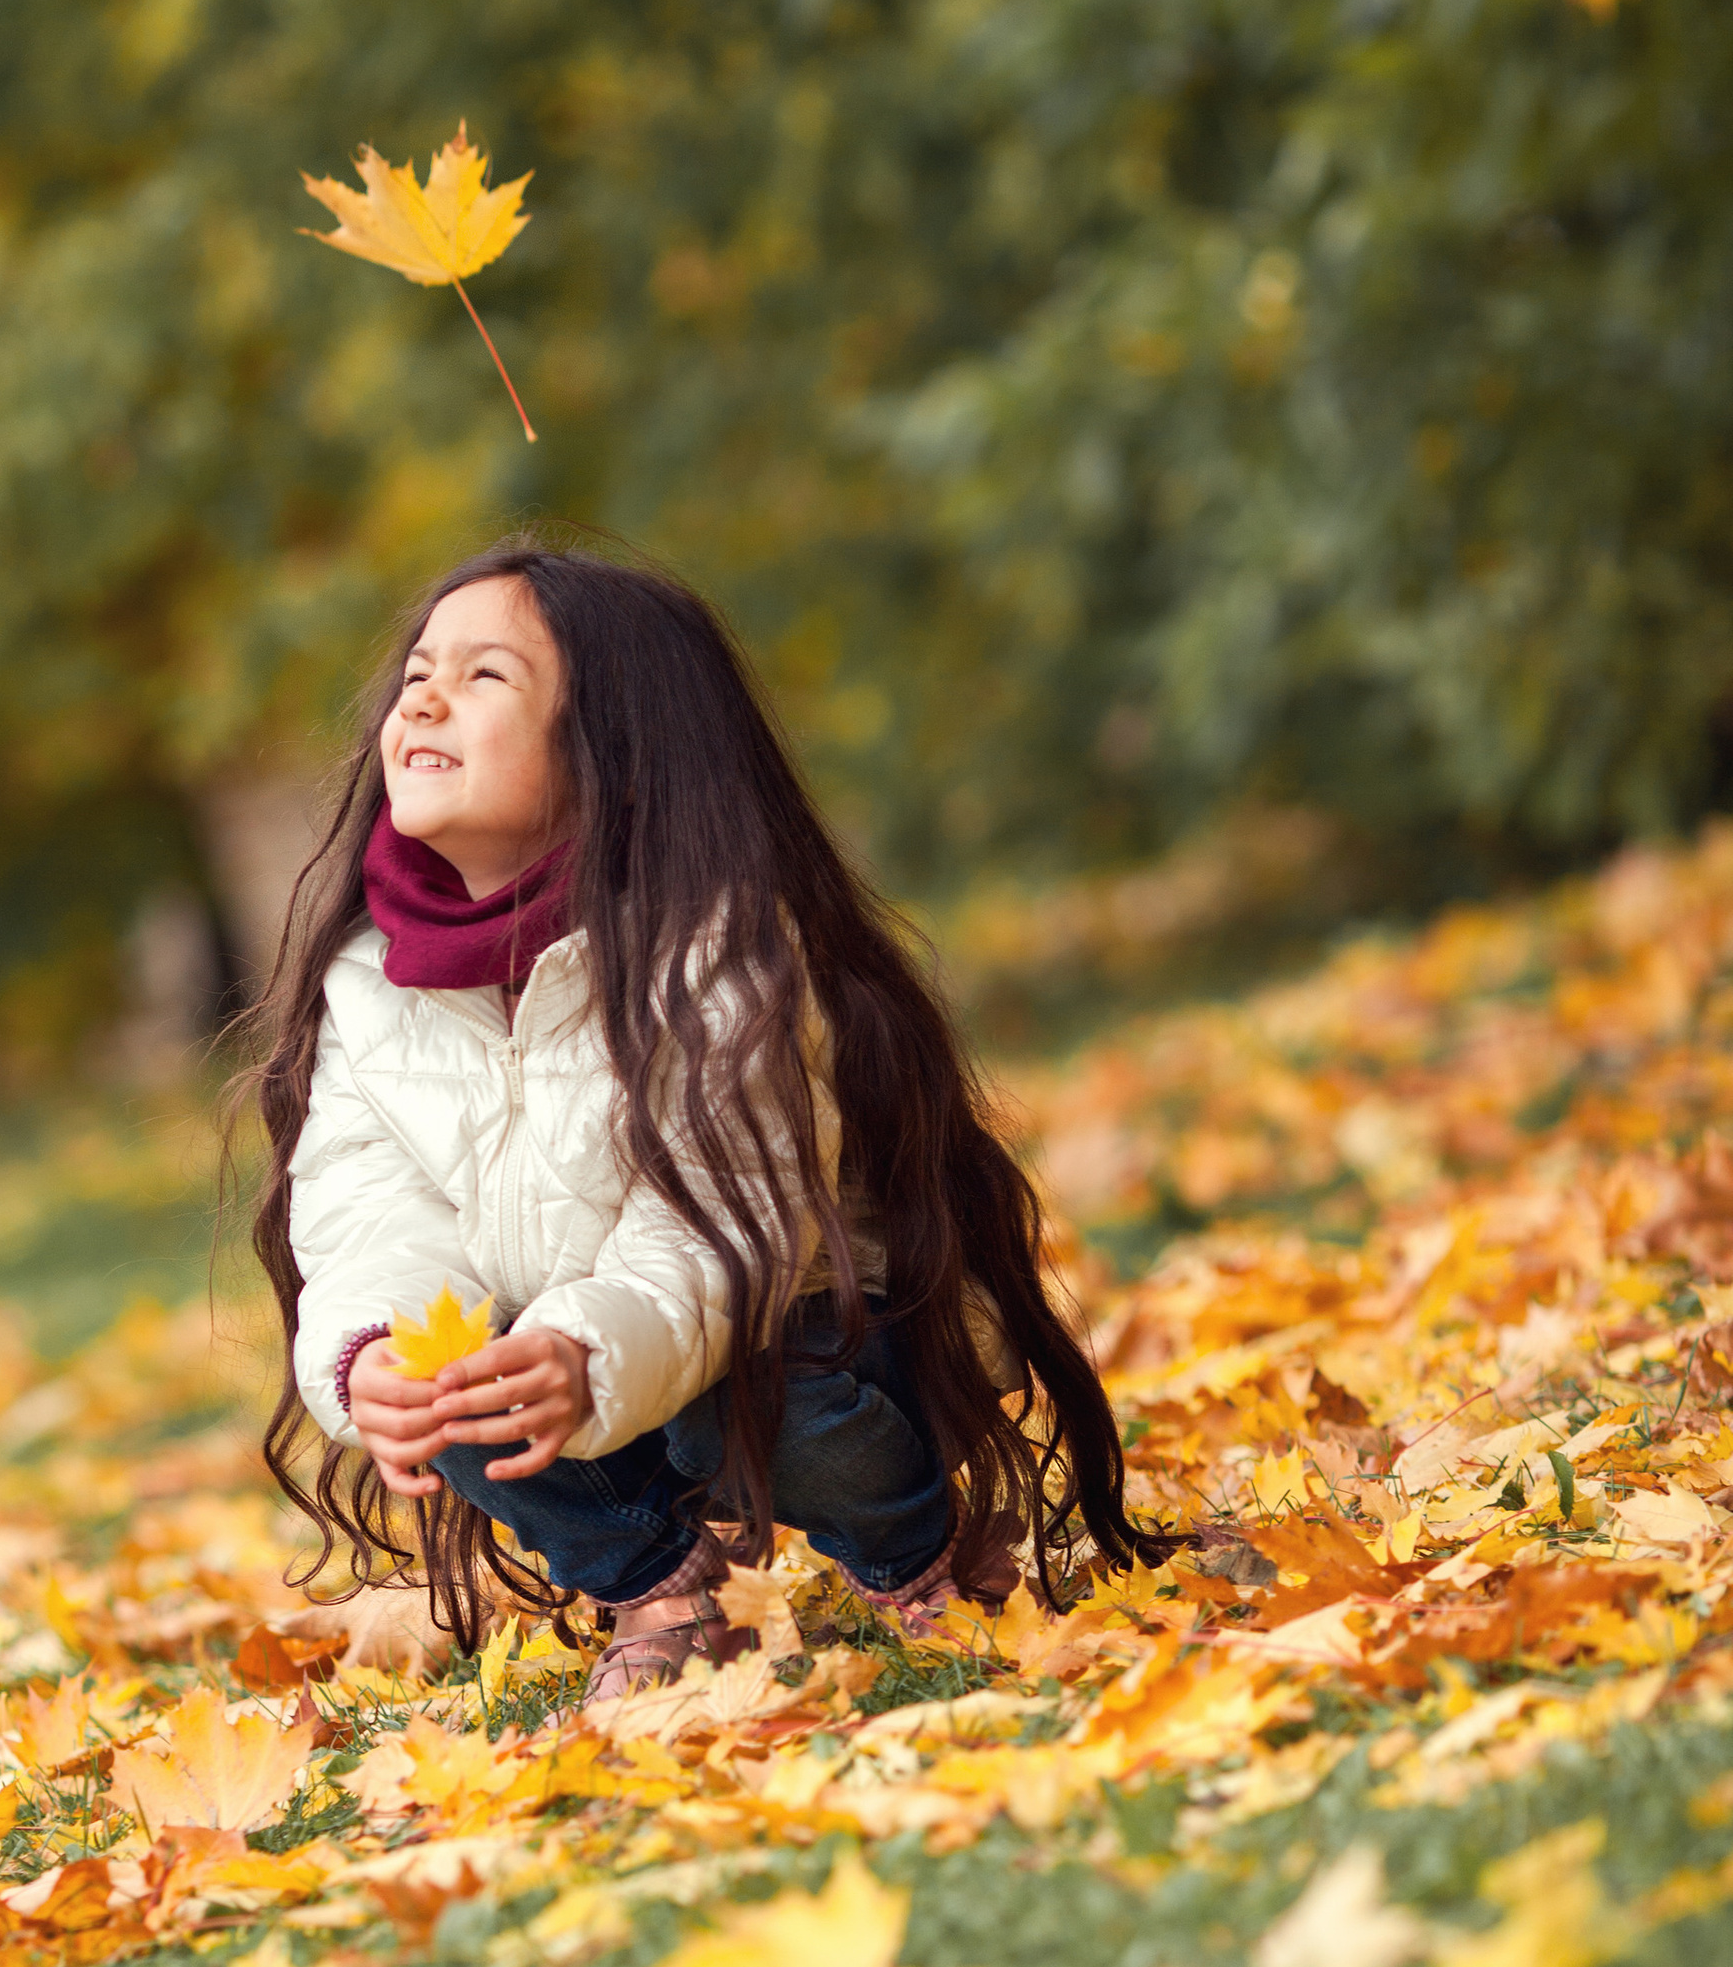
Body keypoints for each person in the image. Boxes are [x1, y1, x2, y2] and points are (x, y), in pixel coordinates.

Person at [246, 541, 1155, 1698]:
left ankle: (913, 1553)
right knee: (443, 1387)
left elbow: (726, 1227)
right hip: (560, 1375)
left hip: (768, 1330)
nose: (420, 695)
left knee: (760, 1403)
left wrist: (589, 1350)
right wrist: (373, 1355)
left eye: (485, 678)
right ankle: (659, 1585)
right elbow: (364, 1209)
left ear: (616, 757)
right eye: (419, 670)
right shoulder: (369, 987)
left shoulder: (715, 952)